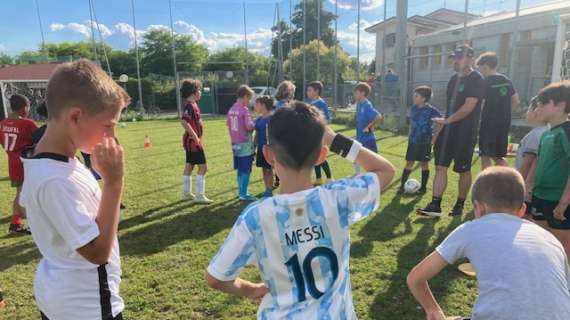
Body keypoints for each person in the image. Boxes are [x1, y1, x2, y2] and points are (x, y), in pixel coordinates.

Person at [206, 101, 395, 319]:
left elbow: (215, 278)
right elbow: (386, 170)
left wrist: (253, 290)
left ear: (268, 155)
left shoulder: (256, 218)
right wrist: (334, 140)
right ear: (321, 156)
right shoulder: (338, 199)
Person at [20, 59, 129, 320]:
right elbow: (97, 253)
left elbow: (30, 205)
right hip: (86, 307)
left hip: (68, 297)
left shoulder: (55, 161)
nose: (112, 135)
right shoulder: (55, 179)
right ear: (76, 116)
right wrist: (114, 183)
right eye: (108, 125)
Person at [407, 167, 570, 320]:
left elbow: (415, 278)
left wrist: (433, 310)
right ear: (522, 210)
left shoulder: (471, 229)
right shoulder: (550, 239)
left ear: (479, 208)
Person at [418, 44, 485, 217]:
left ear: (470, 58)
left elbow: (468, 107)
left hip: (465, 132)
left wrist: (447, 121)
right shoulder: (453, 80)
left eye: (460, 57)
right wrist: (439, 131)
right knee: (440, 167)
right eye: (454, 57)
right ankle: (435, 205)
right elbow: (449, 110)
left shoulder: (476, 79)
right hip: (448, 131)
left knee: (463, 169)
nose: (455, 60)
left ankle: (459, 204)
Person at [530, 81, 570, 258]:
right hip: (540, 196)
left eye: (543, 103)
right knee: (542, 242)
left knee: (563, 245)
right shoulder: (546, 133)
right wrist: (528, 186)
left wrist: (564, 201)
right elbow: (538, 162)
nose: (539, 108)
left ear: (560, 106)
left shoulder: (566, 132)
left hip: (558, 200)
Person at [0, 94, 38, 235]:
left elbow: (4, 143)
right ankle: (34, 224)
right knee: (27, 196)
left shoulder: (3, 123)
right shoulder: (27, 124)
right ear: (25, 107)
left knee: (20, 193)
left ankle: (15, 223)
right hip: (26, 164)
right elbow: (41, 139)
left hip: (12, 163)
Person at [476, 51, 519, 170]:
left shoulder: (485, 82)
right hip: (504, 123)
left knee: (485, 155)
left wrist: (477, 119)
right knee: (498, 156)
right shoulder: (506, 80)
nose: (480, 71)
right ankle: (512, 178)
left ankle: (486, 184)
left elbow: (482, 104)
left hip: (488, 123)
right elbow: (516, 100)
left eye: (479, 68)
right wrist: (506, 113)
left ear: (485, 66)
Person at [399, 86, 442, 195]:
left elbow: (441, 123)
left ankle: (423, 188)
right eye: (414, 95)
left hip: (425, 142)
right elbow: (412, 124)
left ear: (423, 98)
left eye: (416, 96)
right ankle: (402, 187)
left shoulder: (431, 110)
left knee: (424, 164)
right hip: (413, 141)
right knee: (409, 163)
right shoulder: (413, 108)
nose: (414, 97)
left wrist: (434, 138)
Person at [515, 96, 548, 224]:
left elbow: (528, 163)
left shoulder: (535, 135)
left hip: (526, 188)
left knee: (526, 219)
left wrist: (518, 184)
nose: (526, 112)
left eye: (529, 108)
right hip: (534, 187)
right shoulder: (545, 132)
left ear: (537, 112)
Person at [181, 79, 213, 204]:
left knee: (190, 165)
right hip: (193, 142)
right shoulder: (189, 105)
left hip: (192, 142)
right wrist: (195, 137)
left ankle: (186, 192)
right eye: (199, 90)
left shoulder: (193, 104)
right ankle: (200, 195)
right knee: (203, 168)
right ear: (193, 92)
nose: (200, 92)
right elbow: (184, 121)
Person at [227, 85, 256, 201]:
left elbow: (228, 124)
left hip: (235, 143)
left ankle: (240, 191)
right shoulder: (244, 110)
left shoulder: (232, 109)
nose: (248, 102)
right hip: (245, 143)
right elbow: (249, 127)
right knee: (246, 168)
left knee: (240, 168)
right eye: (249, 99)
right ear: (244, 97)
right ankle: (244, 194)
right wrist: (255, 124)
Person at [307, 81, 333, 185]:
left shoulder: (321, 103)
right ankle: (318, 179)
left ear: (317, 91)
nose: (307, 92)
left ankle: (330, 178)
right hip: (311, 135)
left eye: (309, 90)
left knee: (321, 156)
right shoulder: (311, 103)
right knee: (315, 157)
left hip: (319, 135)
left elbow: (327, 118)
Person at [254, 95, 274, 198]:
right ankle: (268, 189)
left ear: (263, 105)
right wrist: (254, 146)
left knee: (272, 169)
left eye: (257, 104)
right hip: (261, 149)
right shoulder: (258, 119)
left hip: (272, 150)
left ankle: (272, 189)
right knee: (265, 169)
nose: (255, 106)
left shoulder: (273, 118)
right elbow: (256, 135)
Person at [355, 82, 382, 155]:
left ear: (362, 93)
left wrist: (369, 126)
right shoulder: (360, 105)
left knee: (374, 165)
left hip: (368, 141)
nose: (355, 95)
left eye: (357, 93)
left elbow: (378, 116)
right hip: (360, 140)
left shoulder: (366, 105)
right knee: (357, 161)